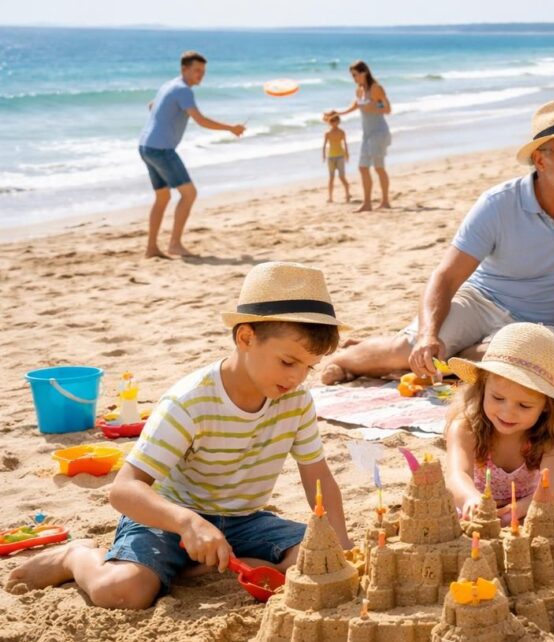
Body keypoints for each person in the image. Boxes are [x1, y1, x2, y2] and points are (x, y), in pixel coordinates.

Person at [4, 262, 352, 608]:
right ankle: (75, 557)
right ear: (246, 337)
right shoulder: (190, 400)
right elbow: (124, 490)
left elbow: (318, 476)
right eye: (288, 362)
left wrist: (342, 545)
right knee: (123, 591)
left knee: (316, 559)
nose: (297, 378)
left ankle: (194, 567)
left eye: (309, 367)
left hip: (244, 522)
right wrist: (187, 523)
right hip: (167, 519)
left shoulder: (296, 401)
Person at [321, 99, 554, 384]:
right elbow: (446, 276)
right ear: (540, 160)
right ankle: (349, 358)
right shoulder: (498, 204)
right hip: (480, 303)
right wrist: (427, 335)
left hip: (542, 330)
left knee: (536, 358)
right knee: (412, 351)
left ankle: (457, 356)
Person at [444, 323, 554, 539]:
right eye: (498, 398)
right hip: (476, 507)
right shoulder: (466, 427)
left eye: (524, 406)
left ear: (547, 406)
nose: (507, 412)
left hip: (531, 506)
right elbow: (457, 475)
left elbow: (549, 492)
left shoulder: (553, 440)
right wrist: (471, 499)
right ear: (483, 388)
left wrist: (519, 509)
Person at [138, 51, 245, 259]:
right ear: (184, 69)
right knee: (189, 194)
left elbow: (151, 105)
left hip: (145, 146)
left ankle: (151, 248)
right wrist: (231, 128)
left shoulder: (169, 85)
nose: (200, 75)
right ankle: (175, 244)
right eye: (196, 70)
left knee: (163, 196)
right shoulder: (183, 90)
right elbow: (201, 120)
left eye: (203, 71)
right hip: (161, 149)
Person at [329, 60, 392, 212]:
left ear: (364, 73)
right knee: (363, 168)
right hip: (367, 134)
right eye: (352, 75)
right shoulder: (359, 90)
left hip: (379, 132)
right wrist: (338, 113)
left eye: (355, 75)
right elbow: (355, 106)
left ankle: (385, 201)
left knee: (379, 168)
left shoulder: (375, 88)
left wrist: (374, 107)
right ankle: (367, 204)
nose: (354, 78)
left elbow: (387, 108)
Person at [322, 112, 351, 203]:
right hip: (330, 157)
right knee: (331, 177)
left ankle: (347, 194)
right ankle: (330, 197)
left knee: (342, 176)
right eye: (331, 121)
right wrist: (323, 155)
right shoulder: (327, 133)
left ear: (338, 121)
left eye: (335, 121)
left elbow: (345, 144)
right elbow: (324, 145)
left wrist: (347, 154)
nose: (333, 123)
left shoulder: (342, 132)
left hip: (340, 156)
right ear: (329, 122)